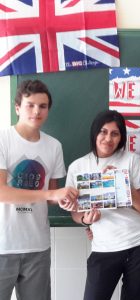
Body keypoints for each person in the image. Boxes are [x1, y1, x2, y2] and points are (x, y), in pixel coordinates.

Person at [0, 80, 79, 300]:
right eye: (30, 105)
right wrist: (50, 194)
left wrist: (65, 198)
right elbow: (2, 192)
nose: (36, 111)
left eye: (42, 106)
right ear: (17, 108)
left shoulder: (54, 146)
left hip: (37, 246)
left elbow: (52, 196)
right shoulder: (3, 139)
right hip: (3, 245)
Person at [67, 110, 140, 300]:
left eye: (115, 134)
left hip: (139, 243)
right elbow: (74, 211)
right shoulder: (78, 167)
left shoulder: (130, 160)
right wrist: (84, 219)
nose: (108, 138)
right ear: (94, 133)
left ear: (121, 137)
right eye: (103, 132)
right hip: (104, 247)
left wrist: (121, 183)